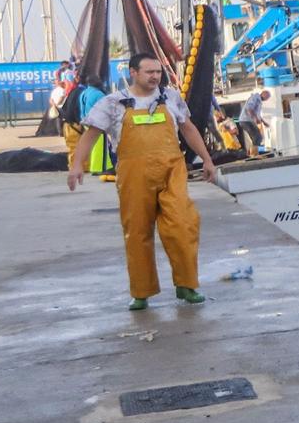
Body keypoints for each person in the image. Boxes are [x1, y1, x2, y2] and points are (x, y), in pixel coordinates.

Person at [67, 53, 221, 311]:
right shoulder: (113, 103)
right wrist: (76, 166)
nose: (155, 77)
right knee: (137, 232)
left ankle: (187, 284)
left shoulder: (170, 98)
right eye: (149, 72)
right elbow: (90, 134)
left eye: (158, 72)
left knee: (183, 225)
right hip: (133, 175)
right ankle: (141, 291)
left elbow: (189, 128)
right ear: (133, 73)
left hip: (172, 171)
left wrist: (207, 159)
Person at [239, 88, 270, 154]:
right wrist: (255, 118)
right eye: (267, 97)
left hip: (247, 121)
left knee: (257, 138)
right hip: (246, 121)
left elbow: (257, 114)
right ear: (264, 94)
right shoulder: (255, 98)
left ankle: (252, 152)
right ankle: (255, 153)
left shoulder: (258, 101)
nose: (267, 99)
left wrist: (264, 122)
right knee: (257, 137)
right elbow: (249, 109)